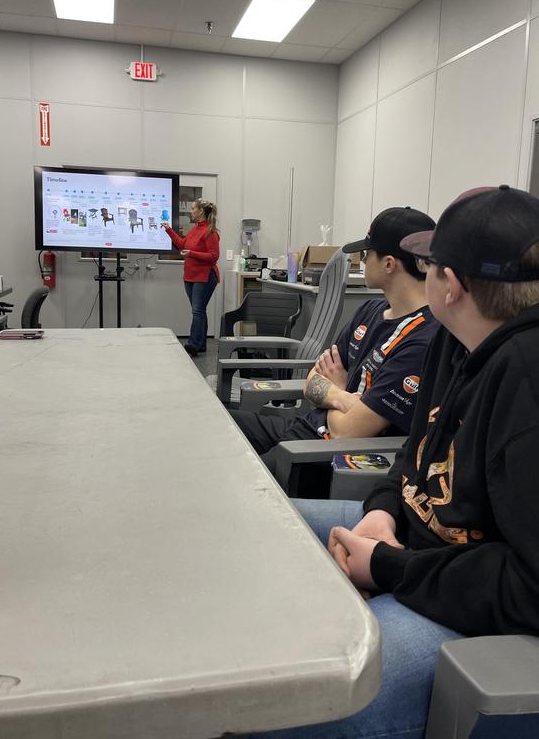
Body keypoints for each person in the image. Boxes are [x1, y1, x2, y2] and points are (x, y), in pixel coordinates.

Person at [247, 185, 539, 739]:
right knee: (254, 523)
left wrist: (384, 568)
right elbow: (414, 455)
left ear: (448, 286)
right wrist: (382, 511)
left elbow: (528, 587)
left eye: (429, 264)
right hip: (409, 545)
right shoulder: (454, 343)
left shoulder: (526, 385)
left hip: (468, 609)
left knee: (293, 706)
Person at [232, 207, 439, 492]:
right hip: (305, 428)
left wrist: (333, 392)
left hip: (325, 457)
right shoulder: (371, 309)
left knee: (234, 478)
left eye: (367, 254)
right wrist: (342, 396)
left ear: (389, 264)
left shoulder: (423, 340)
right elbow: (313, 380)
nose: (362, 261)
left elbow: (347, 431)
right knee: (219, 426)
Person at [162, 199, 219, 356]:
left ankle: (193, 345)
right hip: (190, 276)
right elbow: (182, 245)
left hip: (205, 276)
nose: (190, 211)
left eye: (193, 208)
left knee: (197, 311)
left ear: (200, 211)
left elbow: (214, 257)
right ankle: (201, 345)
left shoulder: (210, 232)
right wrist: (169, 230)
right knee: (199, 311)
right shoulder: (194, 230)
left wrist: (192, 253)